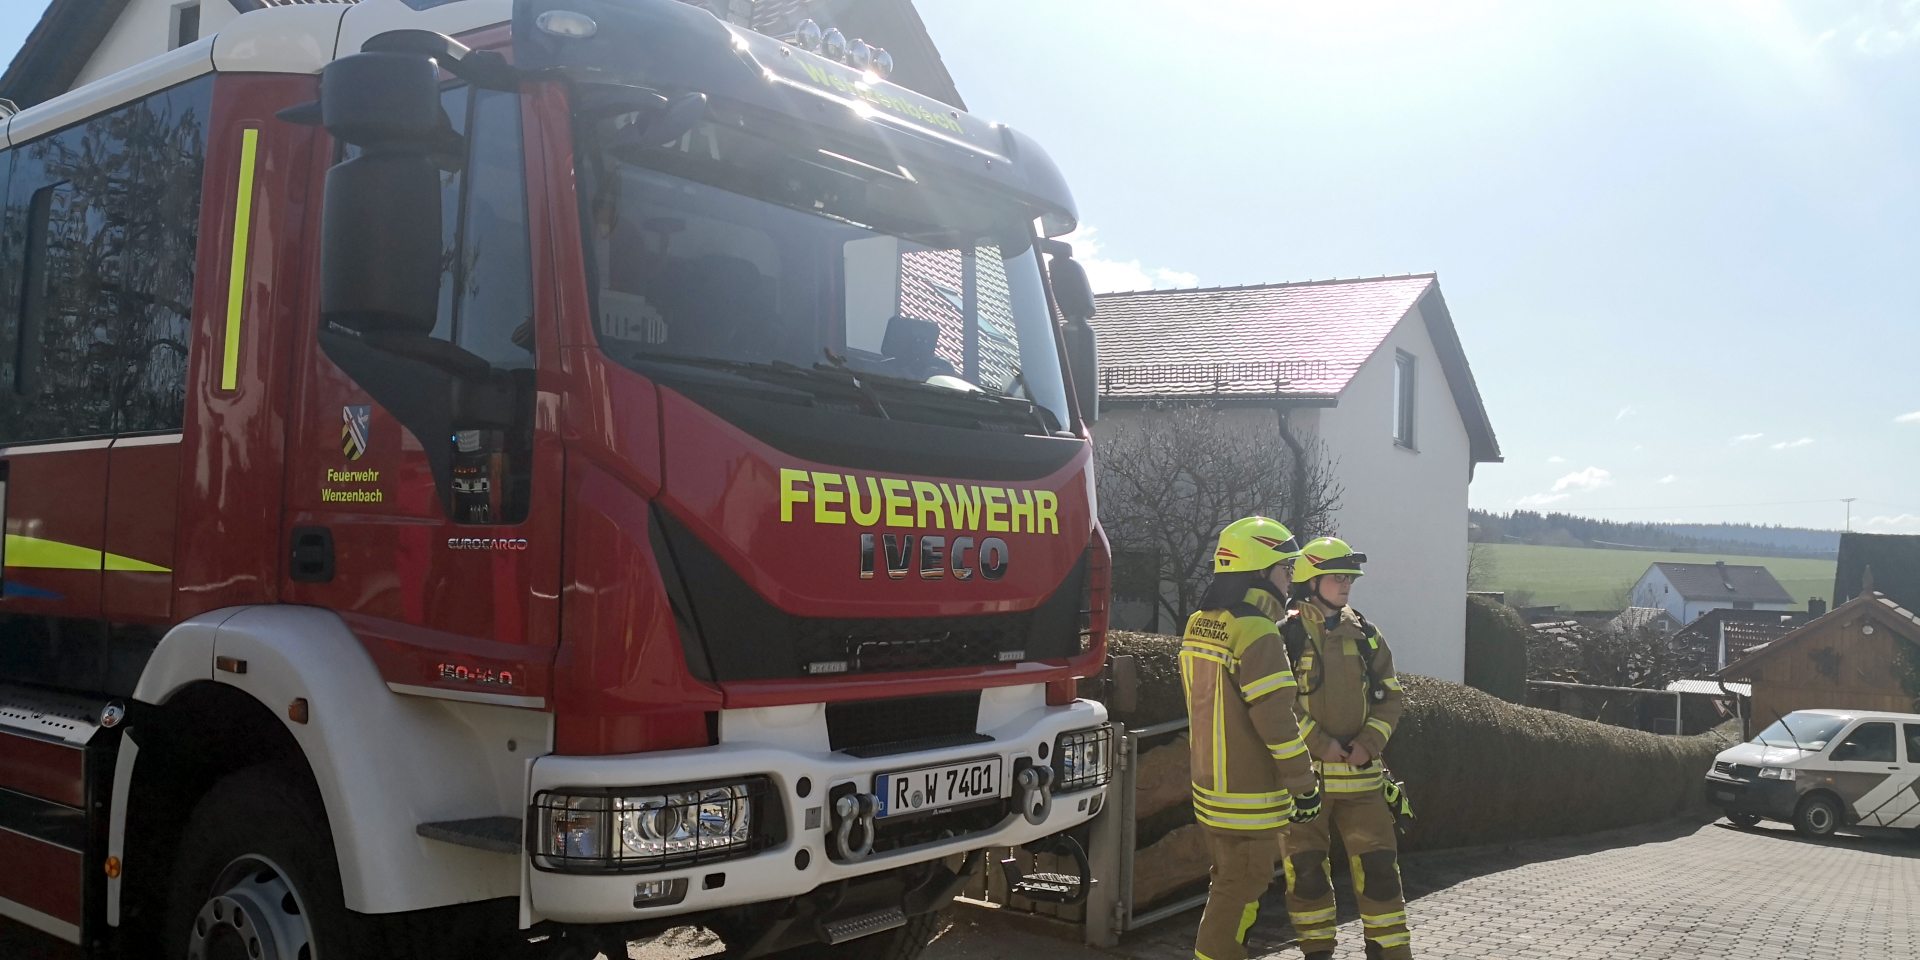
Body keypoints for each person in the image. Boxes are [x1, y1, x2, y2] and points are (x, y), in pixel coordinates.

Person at [1181, 517, 1322, 960]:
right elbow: (1276, 722)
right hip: (1249, 795)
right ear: (1261, 570)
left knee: (1227, 884)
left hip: (1210, 788)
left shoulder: (1199, 622)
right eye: (1285, 569)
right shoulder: (1258, 630)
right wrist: (1304, 785)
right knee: (1241, 889)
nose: (1291, 579)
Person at [1277, 538, 1410, 960]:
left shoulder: (1367, 635)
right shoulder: (1286, 636)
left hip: (1363, 783)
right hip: (1306, 786)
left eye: (1350, 577)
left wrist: (1368, 744)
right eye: (1338, 577)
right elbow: (1276, 704)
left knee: (1381, 874)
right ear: (1310, 580)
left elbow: (1391, 698)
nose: (1347, 584)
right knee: (1307, 876)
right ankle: (1317, 953)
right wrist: (1321, 745)